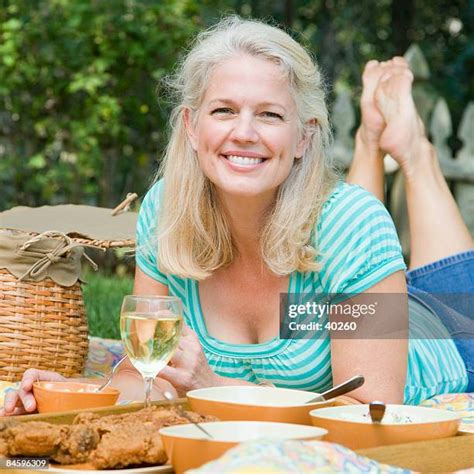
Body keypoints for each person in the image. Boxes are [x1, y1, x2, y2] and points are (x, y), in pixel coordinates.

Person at [2, 17, 472, 416]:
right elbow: (144, 374)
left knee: (363, 217)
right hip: (346, 296)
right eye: (223, 110)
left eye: (268, 114)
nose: (243, 132)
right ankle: (371, 138)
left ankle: (409, 146)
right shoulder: (168, 211)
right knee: (337, 248)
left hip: (451, 331)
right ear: (190, 125)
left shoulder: (354, 224)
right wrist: (70, 400)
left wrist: (214, 388)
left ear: (304, 137)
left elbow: (370, 413)